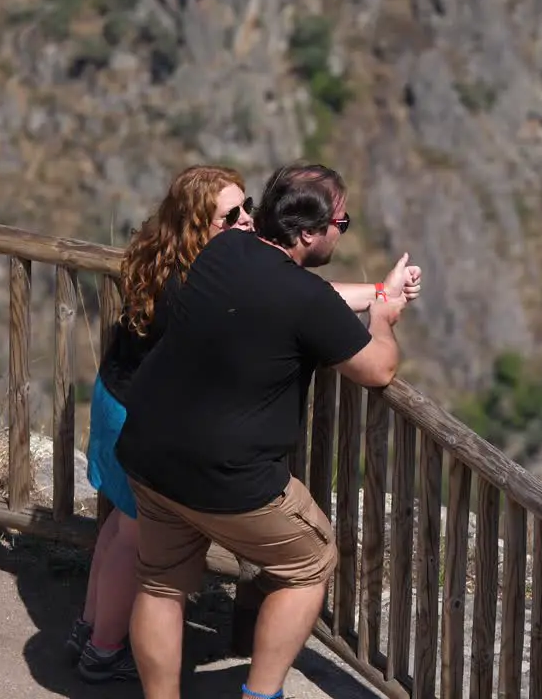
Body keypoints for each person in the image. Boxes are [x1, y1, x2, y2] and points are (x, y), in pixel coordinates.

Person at [65, 165, 421, 685]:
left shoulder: (221, 253)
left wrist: (376, 292)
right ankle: (262, 694)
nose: (342, 231)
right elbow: (377, 368)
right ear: (307, 233)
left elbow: (290, 302)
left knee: (161, 584)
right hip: (229, 476)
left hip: (151, 457)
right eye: (340, 223)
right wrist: (384, 320)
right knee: (310, 562)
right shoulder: (304, 297)